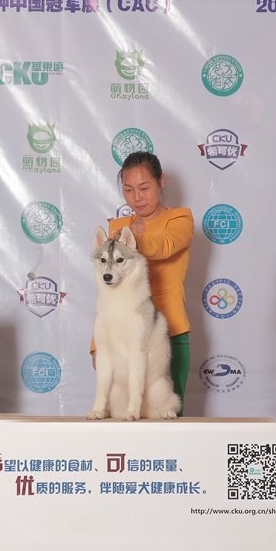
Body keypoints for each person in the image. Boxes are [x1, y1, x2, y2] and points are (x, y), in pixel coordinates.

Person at [91, 151, 193, 415]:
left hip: (168, 332)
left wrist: (133, 243)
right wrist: (97, 344)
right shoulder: (118, 226)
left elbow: (165, 245)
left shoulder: (180, 219)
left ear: (161, 181)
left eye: (144, 188)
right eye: (128, 190)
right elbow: (107, 288)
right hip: (119, 333)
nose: (137, 197)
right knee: (124, 420)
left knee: (167, 417)